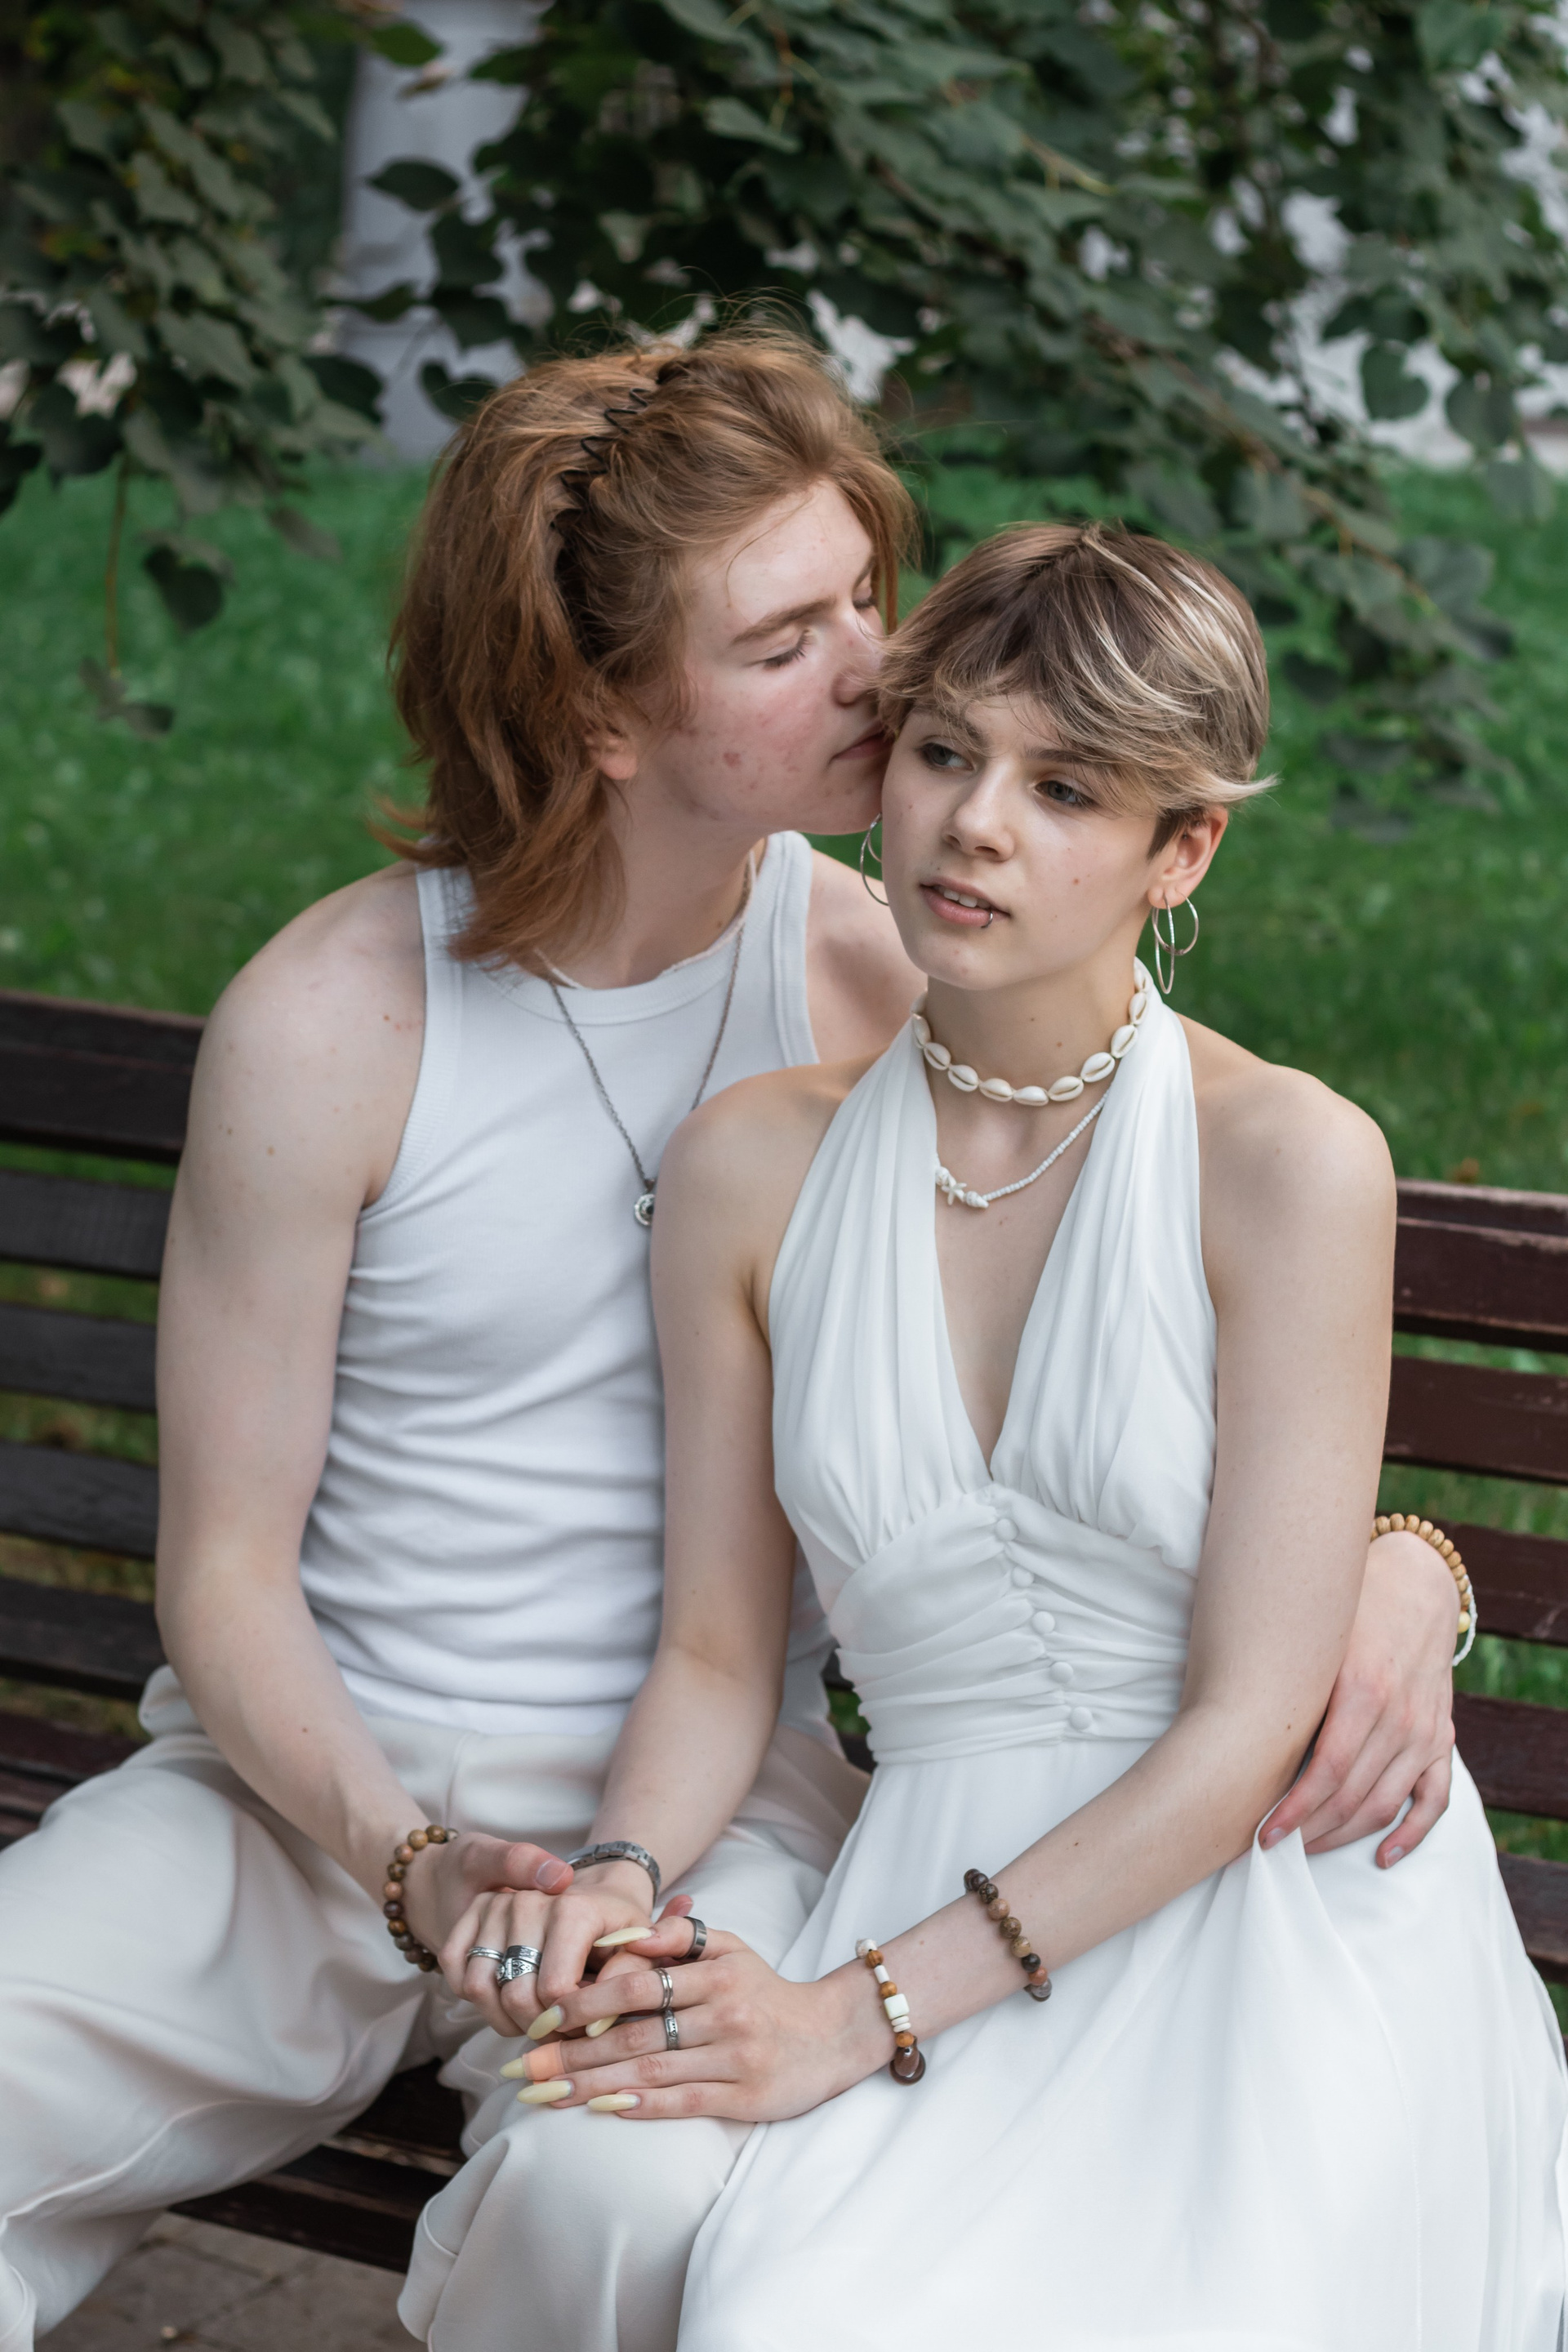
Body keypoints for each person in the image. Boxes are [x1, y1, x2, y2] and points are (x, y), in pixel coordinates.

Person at [0, 337, 1462, 2352]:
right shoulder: (335, 1021)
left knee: (627, 2205)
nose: (882, 672)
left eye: (868, 597)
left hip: (714, 1831)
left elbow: (1159, 1244)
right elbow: (226, 1576)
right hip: (306, 1806)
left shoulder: (887, 966)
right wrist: (415, 1862)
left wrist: (1404, 1564)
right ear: (604, 713)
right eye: (789, 641)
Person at [506, 523, 1567, 2349]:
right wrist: (615, 1876)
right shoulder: (747, 1170)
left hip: (1261, 1915)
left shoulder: (1288, 1163)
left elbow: (1248, 1722)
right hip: (921, 1860)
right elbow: (717, 1653)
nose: (974, 826)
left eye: (1066, 789)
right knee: (771, 2309)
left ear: (1184, 848)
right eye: (944, 752)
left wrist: (846, 2017)